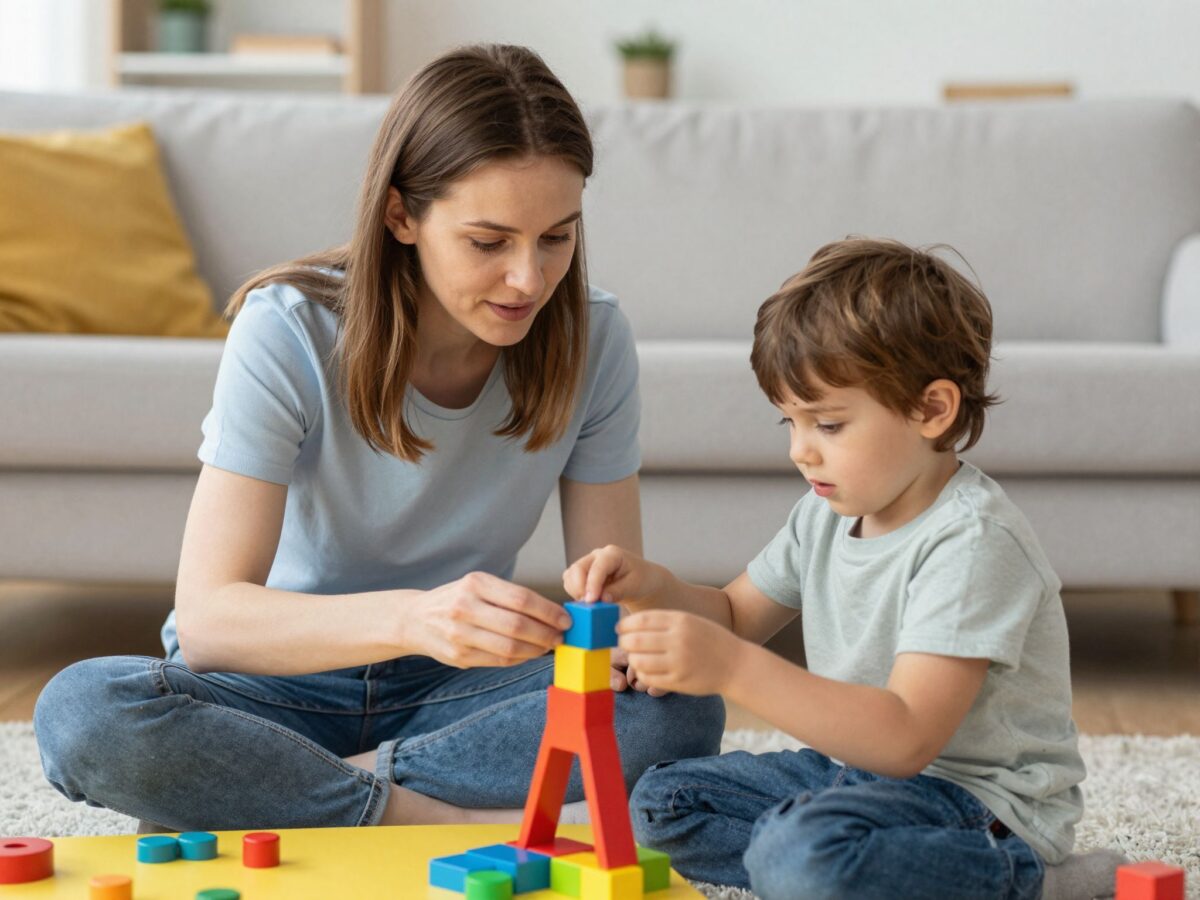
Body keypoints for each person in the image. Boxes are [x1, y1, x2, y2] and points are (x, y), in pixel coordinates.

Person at [33, 44, 722, 832]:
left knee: (682, 705)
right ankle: (427, 815)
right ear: (401, 215)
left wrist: (621, 631)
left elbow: (612, 612)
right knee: (83, 712)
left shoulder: (593, 339)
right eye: (488, 242)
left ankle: (303, 792)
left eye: (556, 238)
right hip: (272, 688)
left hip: (457, 695)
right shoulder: (287, 331)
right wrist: (413, 617)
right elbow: (212, 622)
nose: (529, 280)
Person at [564, 238, 1125, 899]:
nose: (802, 452)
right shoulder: (825, 512)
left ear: (931, 410)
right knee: (662, 805)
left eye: (828, 424)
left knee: (799, 857)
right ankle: (843, 864)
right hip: (854, 777)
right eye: (790, 423)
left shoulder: (972, 543)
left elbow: (907, 738)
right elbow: (738, 614)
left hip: (977, 808)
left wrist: (733, 668)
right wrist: (652, 588)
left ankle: (1042, 884)